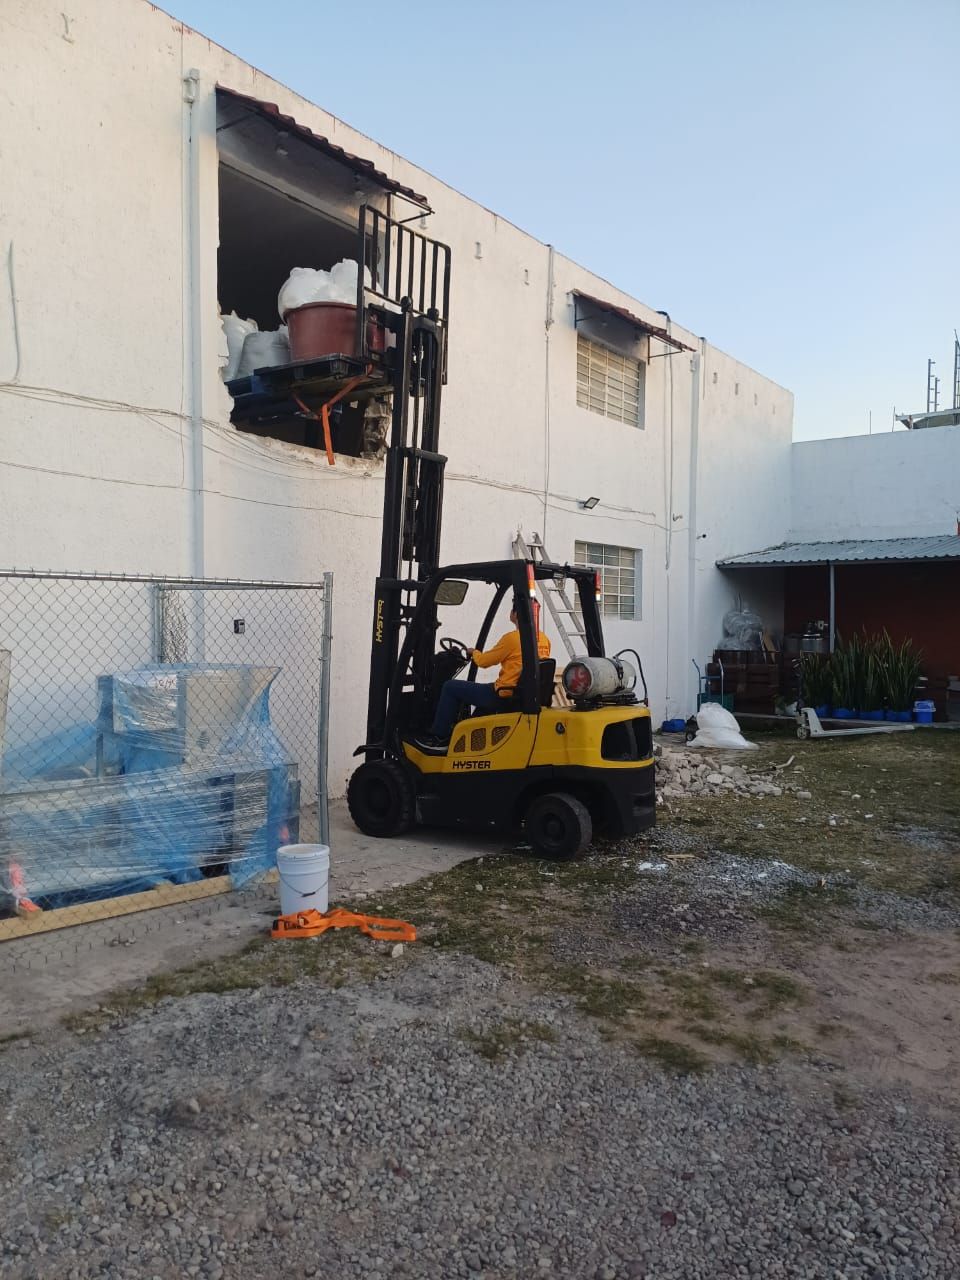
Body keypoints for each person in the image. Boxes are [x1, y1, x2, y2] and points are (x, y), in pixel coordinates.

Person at [416, 600, 551, 750]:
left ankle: (438, 737)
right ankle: (461, 733)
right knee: (475, 692)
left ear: (516, 614)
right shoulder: (544, 639)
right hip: (519, 694)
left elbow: (484, 662)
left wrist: (473, 652)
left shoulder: (512, 639)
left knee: (450, 687)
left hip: (503, 695)